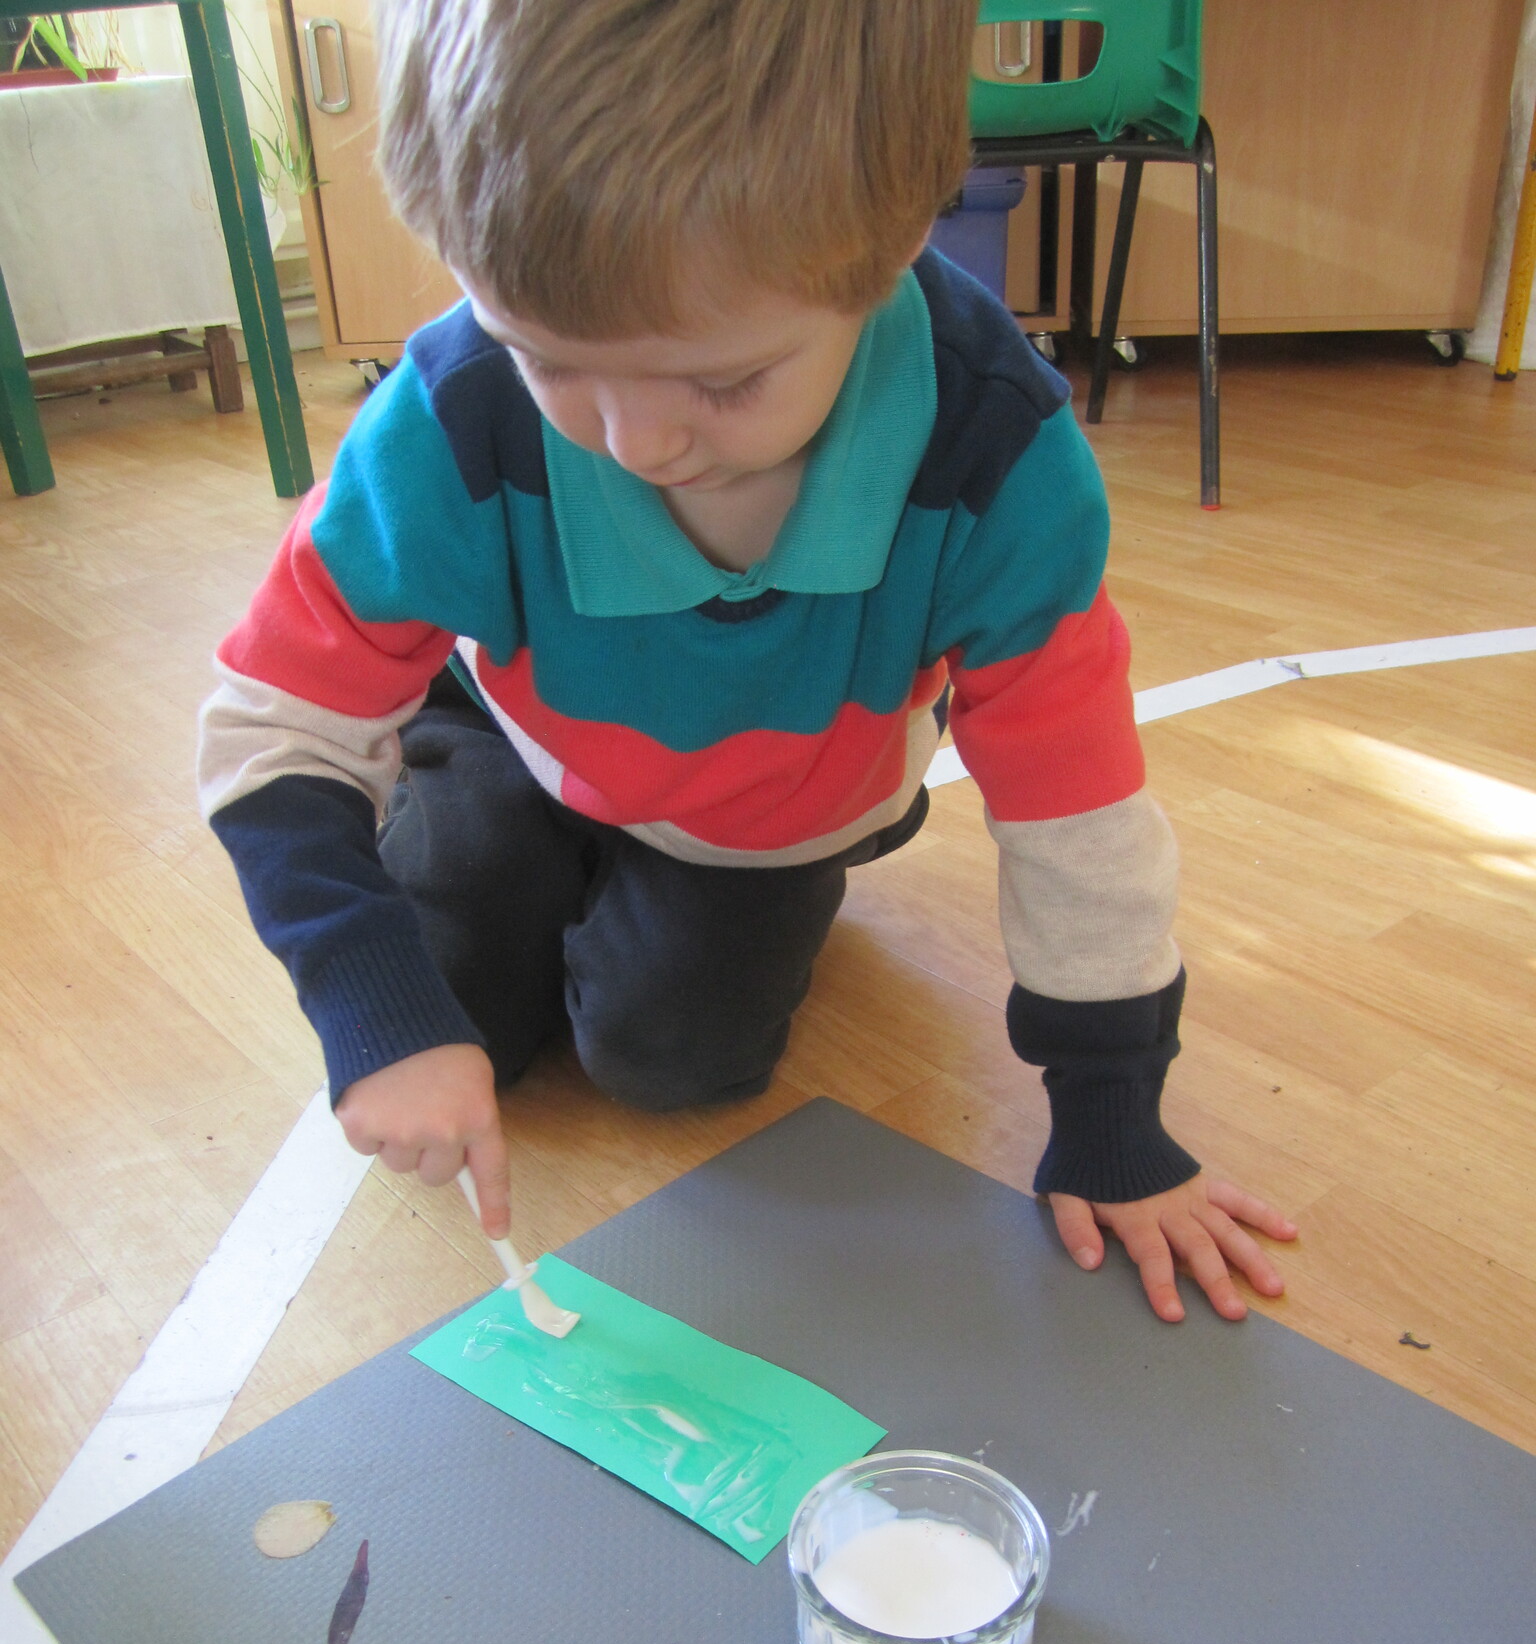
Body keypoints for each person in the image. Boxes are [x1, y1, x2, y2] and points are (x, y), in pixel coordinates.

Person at [198, 0, 1295, 1323]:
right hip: (520, 731)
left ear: (896, 243)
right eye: (549, 360)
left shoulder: (997, 449)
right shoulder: (452, 407)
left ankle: (728, 859)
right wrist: (373, 1006)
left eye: (720, 385)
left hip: (770, 803)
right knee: (448, 1004)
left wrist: (1112, 1114)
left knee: (670, 1058)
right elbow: (274, 728)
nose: (636, 443)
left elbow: (1077, 804)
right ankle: (497, 809)